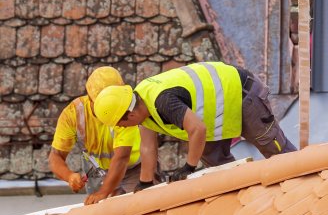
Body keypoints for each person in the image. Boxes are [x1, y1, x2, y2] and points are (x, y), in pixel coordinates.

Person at [93, 61, 297, 184]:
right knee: (214, 163)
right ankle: (242, 193)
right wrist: (145, 183)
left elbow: (197, 129)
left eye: (120, 124)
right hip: (219, 109)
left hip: (241, 93)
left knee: (276, 151)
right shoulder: (141, 107)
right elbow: (147, 147)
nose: (121, 128)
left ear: (129, 114)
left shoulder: (162, 101)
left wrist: (188, 168)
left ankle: (304, 185)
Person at [48, 67, 143, 204]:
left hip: (135, 168)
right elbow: (55, 156)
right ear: (90, 98)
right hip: (99, 173)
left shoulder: (124, 109)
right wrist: (69, 176)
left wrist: (103, 192)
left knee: (140, 209)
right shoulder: (73, 114)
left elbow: (121, 158)